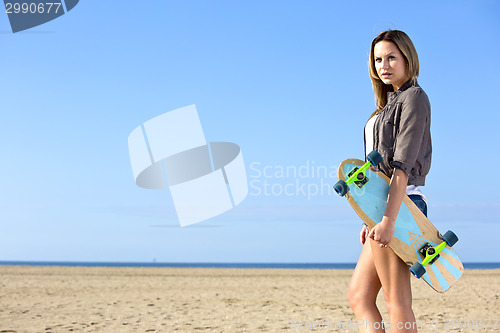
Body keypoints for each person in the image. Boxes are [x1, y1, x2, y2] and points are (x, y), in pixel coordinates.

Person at [347, 30, 432, 333]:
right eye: (378, 59)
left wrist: (387, 219)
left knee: (397, 301)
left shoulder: (414, 98)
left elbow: (402, 168)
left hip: (401, 207)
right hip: (381, 210)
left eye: (391, 57)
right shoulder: (385, 107)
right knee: (359, 297)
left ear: (408, 58)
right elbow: (375, 174)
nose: (384, 65)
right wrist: (367, 217)